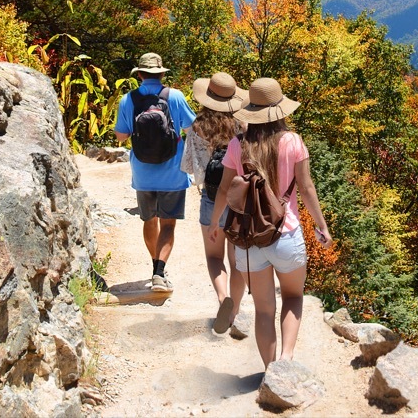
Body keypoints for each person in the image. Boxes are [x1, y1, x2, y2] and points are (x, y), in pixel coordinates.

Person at [209, 77, 332, 367]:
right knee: (292, 297)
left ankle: (268, 371)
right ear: (279, 110)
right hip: (286, 235)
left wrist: (216, 223)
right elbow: (306, 187)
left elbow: (225, 189)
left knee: (264, 310)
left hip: (250, 239)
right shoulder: (292, 141)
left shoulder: (237, 146)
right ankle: (286, 360)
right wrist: (321, 226)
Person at [114, 52, 196, 292]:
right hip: (172, 172)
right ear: (162, 74)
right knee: (168, 224)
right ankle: (159, 273)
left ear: (139, 74)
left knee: (149, 219)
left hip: (143, 172)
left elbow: (121, 135)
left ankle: (156, 267)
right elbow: (191, 127)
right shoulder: (176, 96)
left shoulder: (127, 99)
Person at [181, 72, 249, 336]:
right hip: (239, 200)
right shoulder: (242, 128)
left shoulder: (197, 127)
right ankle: (235, 313)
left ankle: (223, 299)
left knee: (213, 256)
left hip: (211, 198)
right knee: (237, 260)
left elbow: (189, 168)